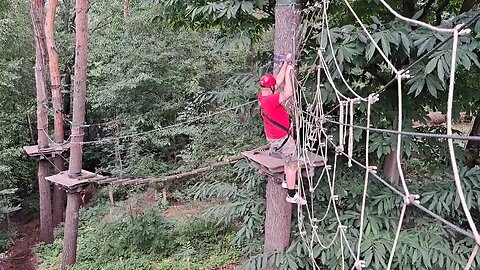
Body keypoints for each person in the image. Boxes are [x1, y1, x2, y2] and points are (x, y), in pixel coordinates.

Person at [257, 54, 307, 205]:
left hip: (277, 137)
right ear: (271, 88)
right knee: (293, 164)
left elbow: (277, 81)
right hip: (282, 138)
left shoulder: (263, 95)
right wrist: (289, 73)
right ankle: (292, 194)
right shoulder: (270, 100)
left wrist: (285, 63)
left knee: (287, 160)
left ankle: (287, 181)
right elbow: (288, 93)